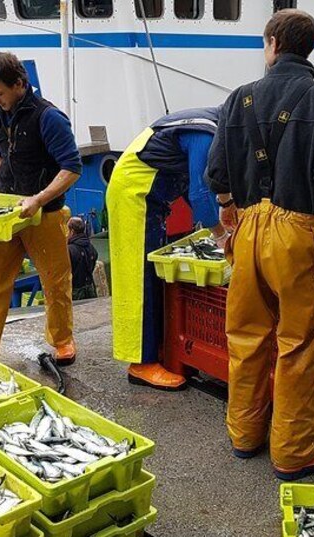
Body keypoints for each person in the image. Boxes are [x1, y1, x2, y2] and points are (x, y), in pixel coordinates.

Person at [206, 9, 314, 480]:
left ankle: (244, 435)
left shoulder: (238, 98)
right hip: (299, 232)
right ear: (308, 47)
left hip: (248, 227)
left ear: (273, 43)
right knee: (297, 344)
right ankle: (294, 452)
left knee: (246, 335)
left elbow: (217, 176)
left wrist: (227, 208)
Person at [0, 52, 81, 364]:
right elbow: (1, 153)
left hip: (45, 213)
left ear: (19, 84)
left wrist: (38, 199)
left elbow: (72, 167)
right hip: (8, 213)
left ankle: (62, 340)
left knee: (54, 280)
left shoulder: (49, 118)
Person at [107, 107, 225, 391]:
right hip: (133, 196)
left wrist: (216, 215)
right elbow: (199, 191)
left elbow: (193, 185)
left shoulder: (205, 124)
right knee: (139, 279)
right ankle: (141, 364)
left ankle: (154, 350)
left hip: (150, 199)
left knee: (150, 275)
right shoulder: (206, 132)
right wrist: (221, 236)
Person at [67, 216, 98, 300]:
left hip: (75, 293)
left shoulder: (69, 250)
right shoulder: (91, 247)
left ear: (72, 231)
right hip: (90, 289)